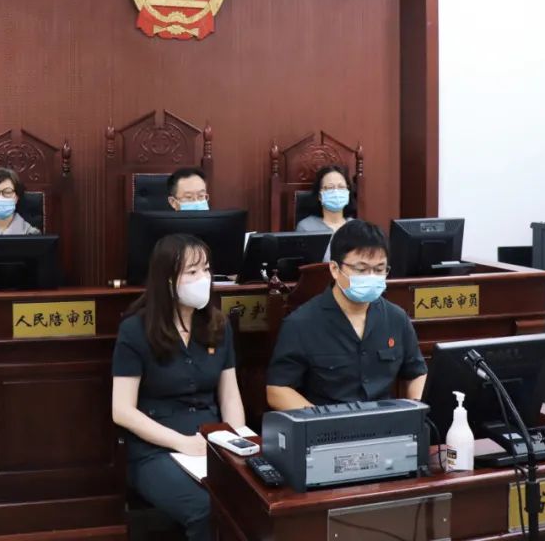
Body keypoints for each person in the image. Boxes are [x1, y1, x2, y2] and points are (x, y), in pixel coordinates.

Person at [112, 234, 245, 541]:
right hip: (155, 450)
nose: (204, 279)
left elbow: (229, 395)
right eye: (192, 272)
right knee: (207, 509)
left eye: (207, 270)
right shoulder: (135, 330)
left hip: (213, 441)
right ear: (168, 280)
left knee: (257, 498)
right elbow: (122, 410)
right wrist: (182, 443)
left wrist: (236, 441)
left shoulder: (217, 325)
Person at [266, 220, 427, 411]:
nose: (371, 277)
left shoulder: (396, 318)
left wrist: (416, 408)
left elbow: (417, 372)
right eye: (361, 269)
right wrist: (320, 420)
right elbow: (278, 390)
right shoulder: (301, 323)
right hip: (328, 423)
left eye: (379, 269)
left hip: (384, 421)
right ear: (335, 269)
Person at [294, 165, 356, 261]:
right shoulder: (306, 228)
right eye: (330, 187)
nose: (336, 192)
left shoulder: (356, 227)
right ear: (320, 195)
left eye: (341, 187)